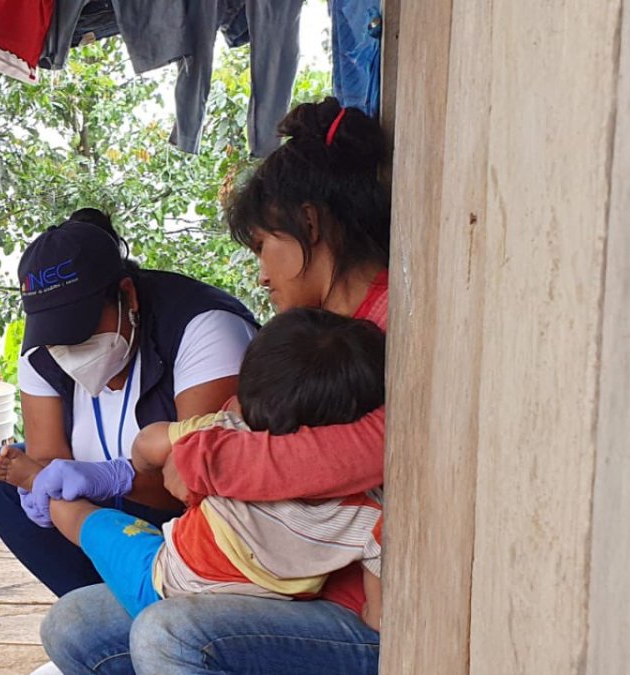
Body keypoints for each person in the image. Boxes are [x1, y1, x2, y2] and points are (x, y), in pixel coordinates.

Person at [40, 97, 391, 674]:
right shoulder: (305, 329)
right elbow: (229, 424)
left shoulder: (386, 327)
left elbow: (378, 446)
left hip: (351, 608)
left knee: (169, 634)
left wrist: (204, 457)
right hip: (267, 578)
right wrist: (193, 453)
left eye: (262, 248)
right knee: (75, 625)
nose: (260, 273)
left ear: (308, 223)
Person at [0, 308, 386, 629]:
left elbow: (149, 442)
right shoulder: (371, 516)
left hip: (166, 580)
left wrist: (129, 469)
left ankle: (37, 482)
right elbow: (378, 614)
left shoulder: (224, 434)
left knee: (86, 521)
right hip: (268, 614)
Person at [0, 208, 260, 598]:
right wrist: (41, 482)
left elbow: (198, 480)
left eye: (81, 330)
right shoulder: (41, 350)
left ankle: (155, 604)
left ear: (127, 294)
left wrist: (109, 479)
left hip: (186, 517)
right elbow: (46, 462)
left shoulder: (202, 327)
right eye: (58, 338)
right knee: (3, 484)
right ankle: (99, 607)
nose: (70, 350)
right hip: (101, 509)